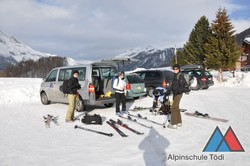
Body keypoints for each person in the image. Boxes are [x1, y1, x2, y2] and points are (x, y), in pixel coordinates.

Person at [166, 64, 186, 129]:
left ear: (179, 69)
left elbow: (182, 86)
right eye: (174, 69)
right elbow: (173, 85)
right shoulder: (175, 76)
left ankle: (174, 123)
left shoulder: (180, 76)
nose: (175, 70)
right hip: (175, 93)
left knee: (173, 108)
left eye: (176, 69)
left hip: (178, 93)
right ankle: (179, 122)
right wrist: (168, 91)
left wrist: (178, 91)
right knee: (176, 107)